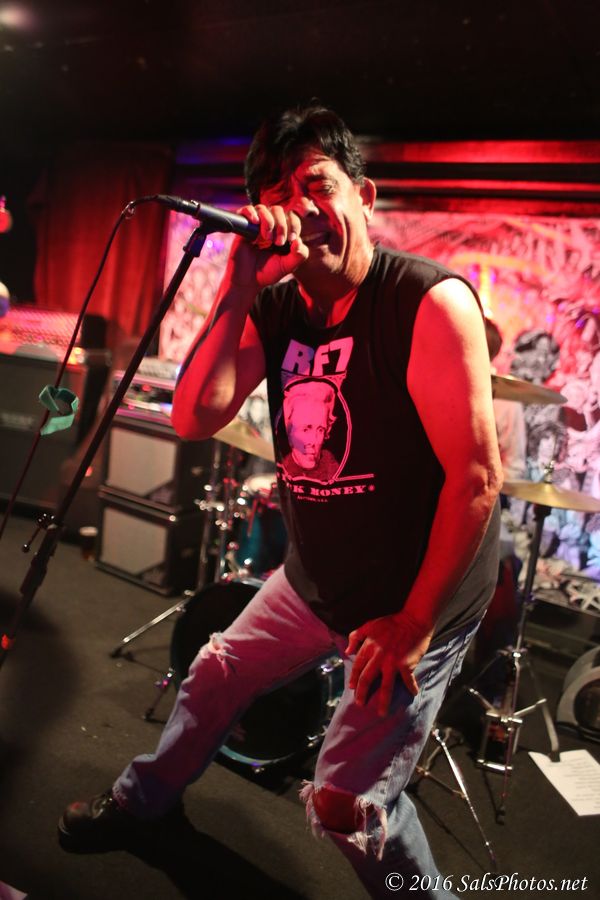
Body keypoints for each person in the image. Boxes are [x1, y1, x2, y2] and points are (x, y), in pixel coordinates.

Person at [59, 104, 502, 899]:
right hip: (317, 576)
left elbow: (475, 481)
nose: (301, 209)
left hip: (414, 595)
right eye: (280, 195)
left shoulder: (427, 302)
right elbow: (195, 415)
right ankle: (143, 805)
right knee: (214, 671)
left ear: (365, 197)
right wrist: (236, 288)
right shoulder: (278, 303)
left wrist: (414, 624)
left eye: (318, 185)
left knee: (345, 803)